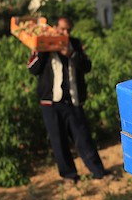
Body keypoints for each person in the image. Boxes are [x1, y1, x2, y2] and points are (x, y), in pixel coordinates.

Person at [27, 17, 109, 184]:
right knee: (58, 141)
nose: (65, 33)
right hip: (50, 103)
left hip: (73, 100)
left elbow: (87, 66)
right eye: (62, 29)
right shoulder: (41, 44)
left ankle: (99, 172)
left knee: (83, 138)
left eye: (68, 30)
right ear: (54, 28)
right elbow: (32, 69)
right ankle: (69, 176)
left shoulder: (74, 44)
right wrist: (44, 48)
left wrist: (71, 54)